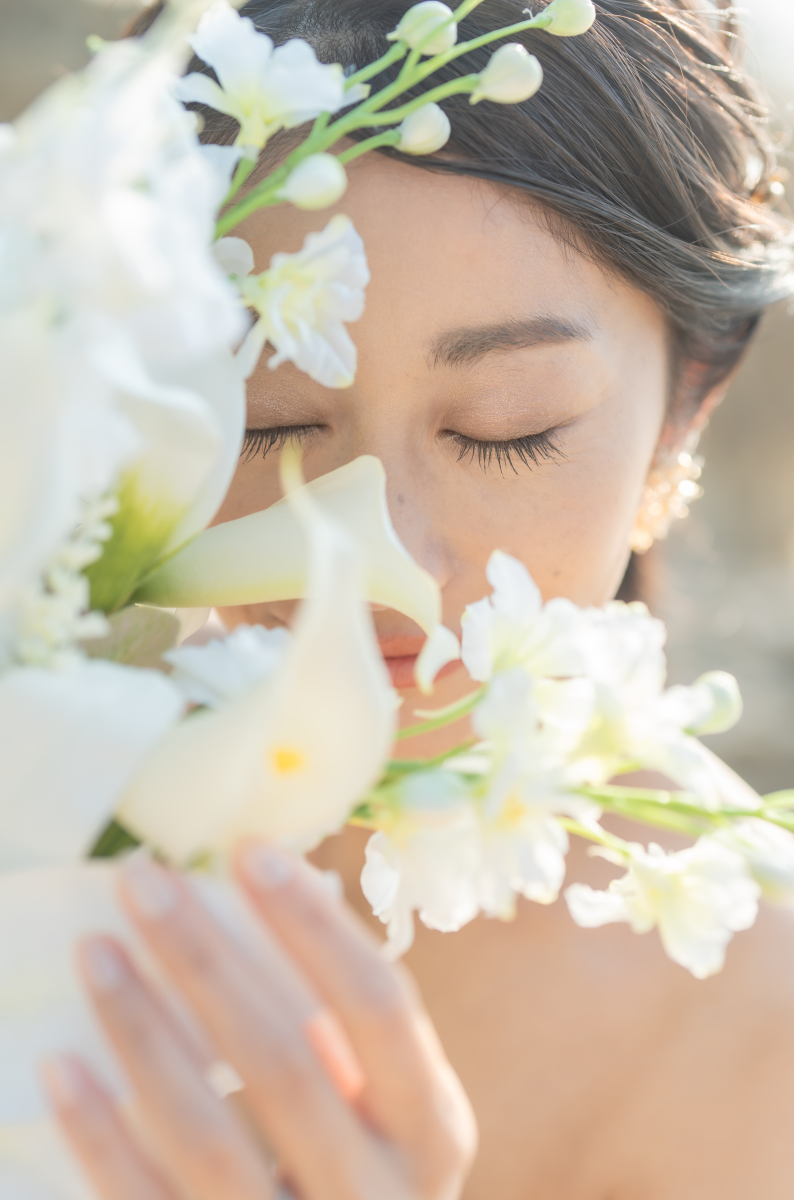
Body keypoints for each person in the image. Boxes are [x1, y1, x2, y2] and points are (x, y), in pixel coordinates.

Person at [41, 2, 794, 1197]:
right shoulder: (39, 809)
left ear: (683, 411)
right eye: (271, 427)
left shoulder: (763, 1026)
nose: (375, 552)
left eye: (506, 431)